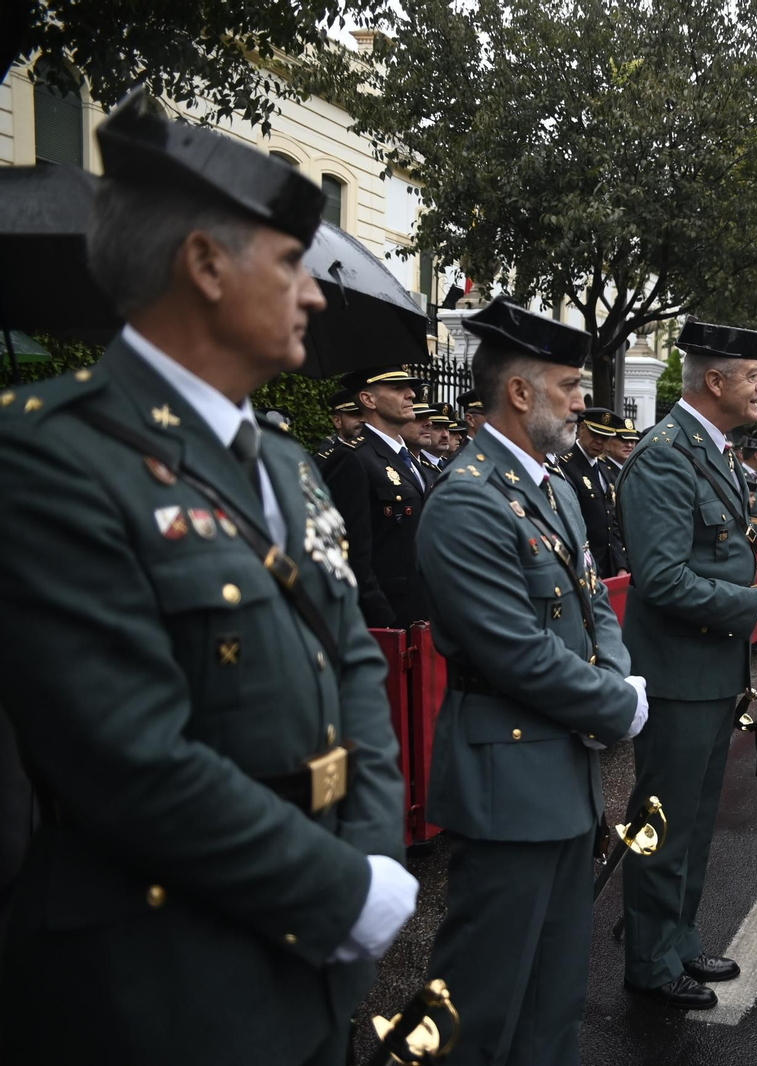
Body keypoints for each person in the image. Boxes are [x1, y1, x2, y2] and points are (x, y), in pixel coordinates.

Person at [0, 85, 414, 1065]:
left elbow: (353, 663)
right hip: (162, 982)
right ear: (203, 265)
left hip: (315, 964)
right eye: (291, 264)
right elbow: (129, 758)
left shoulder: (287, 463)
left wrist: (373, 853)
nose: (316, 292)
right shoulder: (50, 460)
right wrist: (339, 888)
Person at [416, 297, 647, 1066]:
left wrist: (616, 674)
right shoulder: (468, 500)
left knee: (556, 999)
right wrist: (617, 701)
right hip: (508, 784)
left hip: (564, 779)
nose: (584, 401)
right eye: (570, 385)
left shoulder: (550, 489)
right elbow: (515, 652)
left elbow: (594, 608)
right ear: (519, 393)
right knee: (481, 1007)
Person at [615, 319, 757, 1010]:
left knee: (691, 821)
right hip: (675, 675)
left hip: (709, 672)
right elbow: (660, 578)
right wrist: (756, 603)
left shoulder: (713, 449)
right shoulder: (666, 454)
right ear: (715, 381)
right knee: (661, 821)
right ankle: (650, 958)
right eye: (753, 374)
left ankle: (678, 940)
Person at [322, 365, 431, 628]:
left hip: (425, 613)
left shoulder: (412, 462)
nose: (411, 395)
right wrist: (385, 622)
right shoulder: (353, 458)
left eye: (410, 388)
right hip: (389, 621)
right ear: (368, 400)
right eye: (397, 388)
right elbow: (353, 556)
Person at [556, 406, 629, 576]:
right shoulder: (565, 466)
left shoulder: (604, 468)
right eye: (595, 435)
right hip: (584, 566)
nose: (599, 442)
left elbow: (613, 521)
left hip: (609, 565)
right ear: (582, 429)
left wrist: (620, 565)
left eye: (605, 438)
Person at [314, 387, 363, 468]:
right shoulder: (324, 462)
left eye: (365, 414)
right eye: (355, 414)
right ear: (337, 421)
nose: (363, 419)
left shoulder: (379, 452)